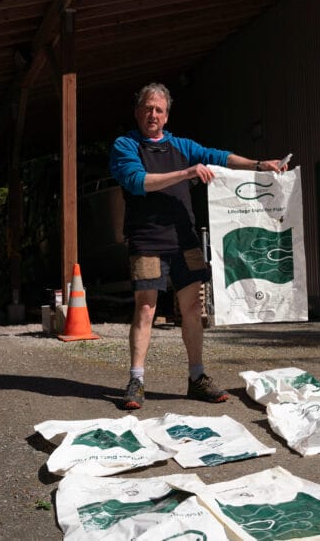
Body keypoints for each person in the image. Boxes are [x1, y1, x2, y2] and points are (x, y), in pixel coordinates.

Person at [109, 82, 287, 410]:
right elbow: (138, 182)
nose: (152, 114)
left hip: (185, 241)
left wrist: (260, 165)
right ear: (137, 112)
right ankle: (136, 379)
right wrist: (187, 172)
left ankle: (197, 377)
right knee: (146, 309)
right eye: (147, 108)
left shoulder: (182, 145)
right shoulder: (126, 145)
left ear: (166, 116)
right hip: (147, 240)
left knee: (192, 309)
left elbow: (219, 158)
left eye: (159, 109)